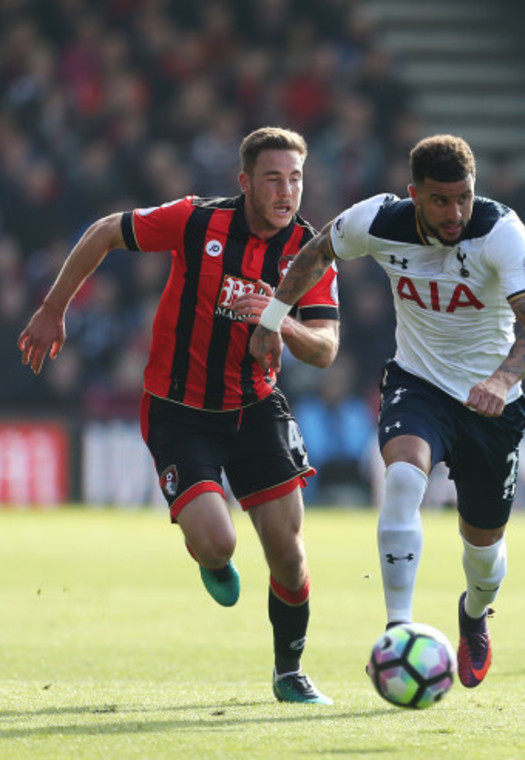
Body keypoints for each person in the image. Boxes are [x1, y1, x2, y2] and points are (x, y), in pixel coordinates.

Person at [18, 127, 340, 705]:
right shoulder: (196, 221)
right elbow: (103, 233)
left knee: (288, 554)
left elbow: (326, 347)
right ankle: (209, 557)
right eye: (272, 178)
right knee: (219, 544)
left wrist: (279, 320)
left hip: (256, 407)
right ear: (245, 183)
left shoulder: (310, 252)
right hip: (178, 410)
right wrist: (51, 309)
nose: (286, 190)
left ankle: (289, 670)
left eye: (295, 177)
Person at [245, 134, 525, 689]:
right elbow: (315, 251)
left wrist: (503, 378)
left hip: (491, 401)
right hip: (418, 383)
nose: (455, 211)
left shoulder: (500, 231)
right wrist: (272, 320)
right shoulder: (378, 221)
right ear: (414, 195)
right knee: (404, 480)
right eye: (440, 200)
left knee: (482, 555)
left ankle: (475, 615)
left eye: (463, 197)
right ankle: (397, 632)